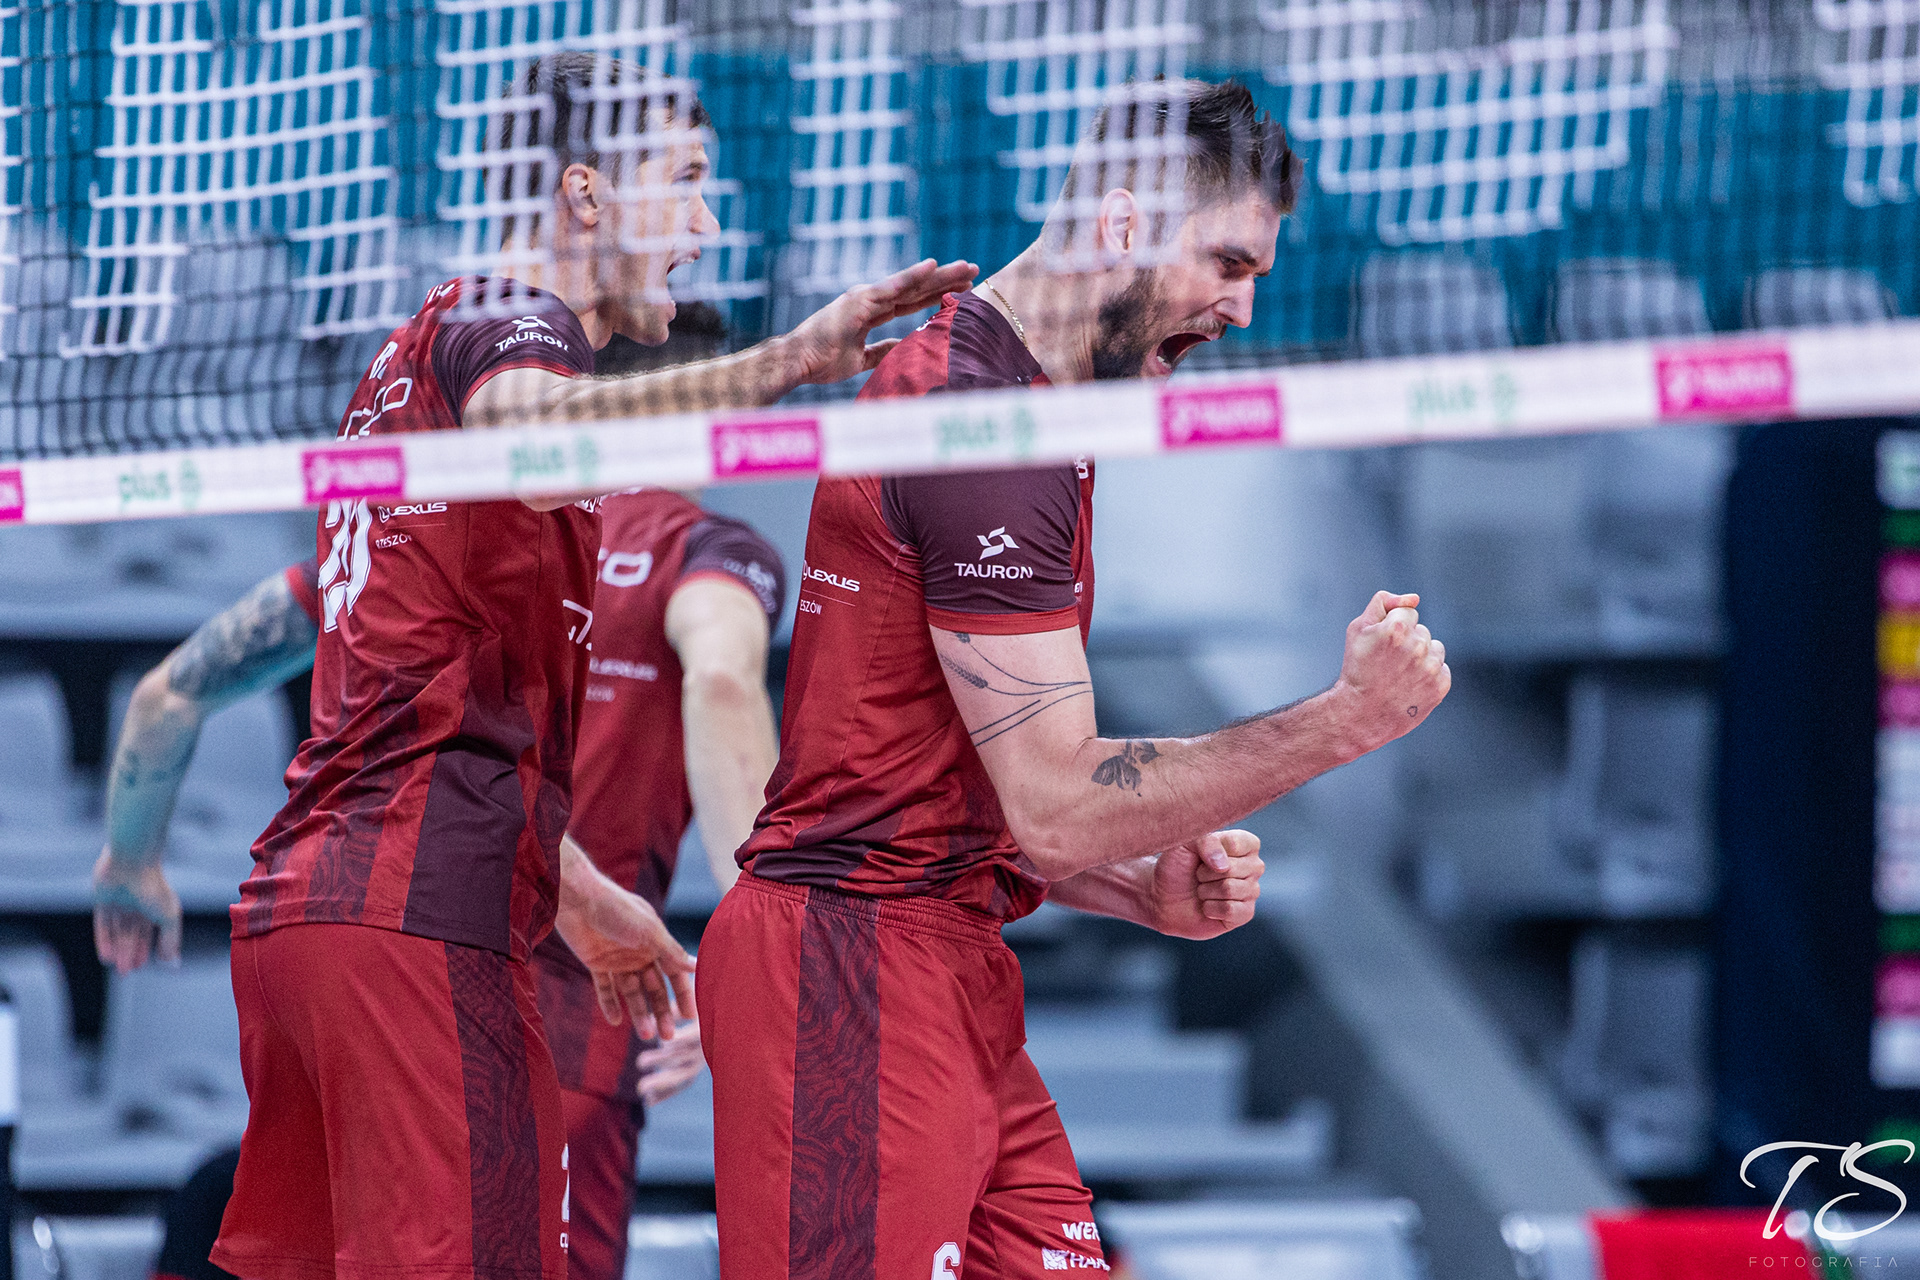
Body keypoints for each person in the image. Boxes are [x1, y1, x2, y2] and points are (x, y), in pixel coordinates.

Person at [88, 50, 972, 1280]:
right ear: (586, 192)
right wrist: (788, 360)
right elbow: (544, 442)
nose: (709, 226)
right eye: (686, 181)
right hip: (417, 928)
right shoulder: (514, 321)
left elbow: (380, 704)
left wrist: (581, 895)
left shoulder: (417, 366)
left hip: (317, 916)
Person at [697, 77, 1453, 1280]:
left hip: (942, 952)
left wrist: (1131, 881)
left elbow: (973, 787)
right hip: (852, 975)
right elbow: (1055, 799)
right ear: (1121, 224)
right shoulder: (978, 427)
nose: (1244, 308)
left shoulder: (1030, 410)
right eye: (1227, 263)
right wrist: (1345, 719)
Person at [534, 484, 785, 1280]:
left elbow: (186, 682)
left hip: (399, 965)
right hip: (580, 1003)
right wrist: (761, 963)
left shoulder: (485, 515)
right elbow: (720, 680)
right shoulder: (707, 551)